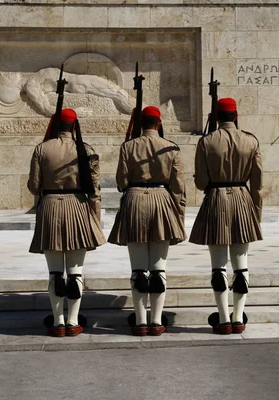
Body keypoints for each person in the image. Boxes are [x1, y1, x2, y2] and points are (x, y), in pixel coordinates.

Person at [108, 106, 186, 336]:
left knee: (139, 269)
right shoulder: (171, 147)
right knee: (158, 269)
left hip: (134, 201)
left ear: (141, 124)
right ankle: (157, 320)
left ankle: (141, 321)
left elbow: (121, 182)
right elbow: (178, 185)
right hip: (162, 201)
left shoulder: (128, 146)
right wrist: (178, 213)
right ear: (159, 123)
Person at [28, 108, 105, 337]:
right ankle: (73, 321)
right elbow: (94, 189)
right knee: (75, 272)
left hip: (50, 207)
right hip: (78, 207)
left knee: (54, 273)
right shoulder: (86, 150)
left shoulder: (42, 148)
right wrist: (96, 220)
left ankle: (58, 321)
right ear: (75, 126)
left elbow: (34, 186)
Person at [189, 98, 263, 335]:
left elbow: (201, 182)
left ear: (216, 117)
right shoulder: (251, 141)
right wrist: (255, 215)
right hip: (243, 199)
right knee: (241, 267)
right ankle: (239, 317)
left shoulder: (206, 141)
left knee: (218, 267)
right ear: (236, 115)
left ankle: (223, 318)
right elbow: (258, 184)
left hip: (217, 199)